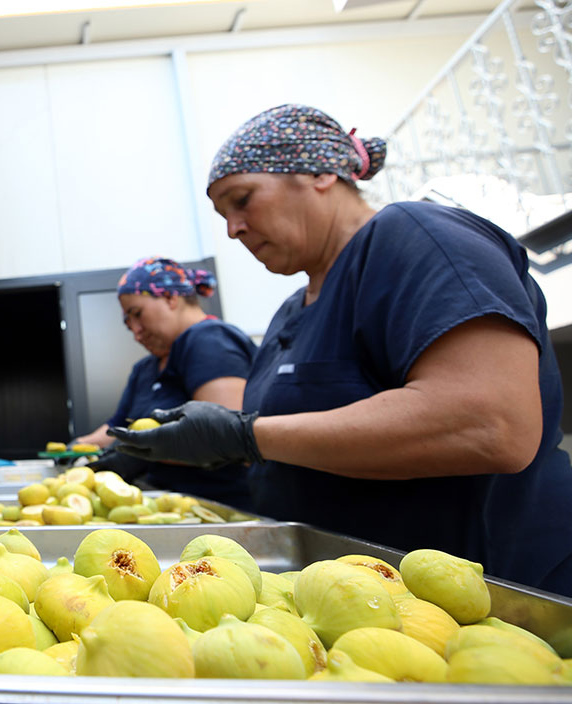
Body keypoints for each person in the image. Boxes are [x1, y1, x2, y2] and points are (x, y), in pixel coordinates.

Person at [109, 104, 572, 596]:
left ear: (320, 174)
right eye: (223, 216)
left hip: (483, 591)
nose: (233, 229)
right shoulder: (293, 311)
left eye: (241, 200)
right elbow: (295, 443)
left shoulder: (419, 238)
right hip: (353, 594)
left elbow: (492, 424)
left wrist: (245, 436)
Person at [75, 257, 256, 509]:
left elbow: (226, 438)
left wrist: (141, 455)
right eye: (128, 324)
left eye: (138, 314)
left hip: (216, 504)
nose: (136, 332)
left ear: (170, 297)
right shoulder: (145, 369)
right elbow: (116, 427)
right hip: (163, 502)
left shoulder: (209, 341)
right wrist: (79, 446)